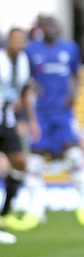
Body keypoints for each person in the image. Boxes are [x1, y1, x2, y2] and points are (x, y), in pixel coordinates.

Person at [25, 16, 84, 227]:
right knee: (35, 162)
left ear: (59, 27)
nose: (50, 28)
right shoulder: (31, 50)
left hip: (64, 113)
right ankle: (36, 210)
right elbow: (24, 76)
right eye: (46, 25)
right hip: (41, 113)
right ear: (40, 29)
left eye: (53, 24)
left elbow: (77, 74)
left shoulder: (69, 48)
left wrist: (75, 92)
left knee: (75, 156)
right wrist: (30, 87)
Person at [0, 27, 38, 241]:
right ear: (8, 40)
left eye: (23, 39)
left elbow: (24, 92)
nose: (19, 43)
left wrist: (32, 120)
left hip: (7, 121)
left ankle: (4, 213)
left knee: (20, 164)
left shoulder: (25, 61)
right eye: (15, 38)